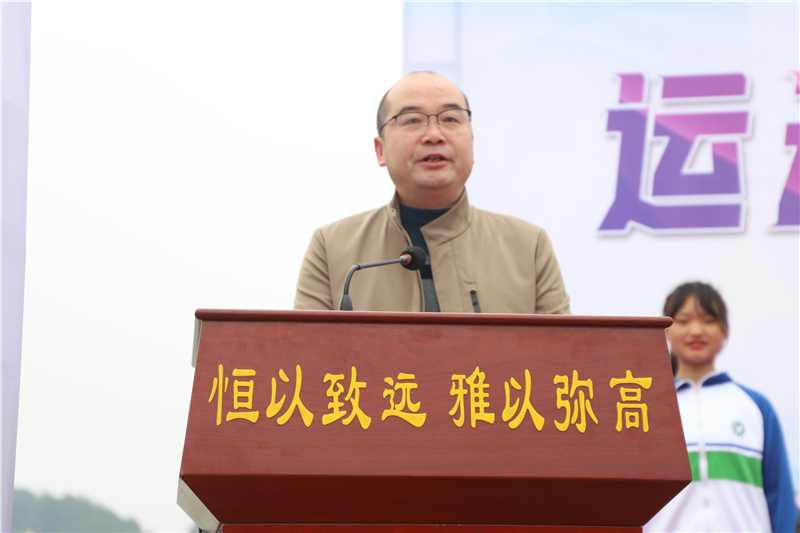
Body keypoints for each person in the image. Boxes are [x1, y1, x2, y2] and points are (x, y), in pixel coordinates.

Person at [294, 71, 570, 313]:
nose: (434, 135)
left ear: (472, 141)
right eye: (412, 120)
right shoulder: (331, 248)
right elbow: (307, 351)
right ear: (380, 150)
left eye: (450, 118)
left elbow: (561, 352)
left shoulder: (529, 246)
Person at [645, 282, 797, 532]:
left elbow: (780, 500)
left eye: (708, 320)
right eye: (683, 321)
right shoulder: (648, 409)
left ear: (725, 329)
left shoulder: (757, 408)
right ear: (666, 331)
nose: (696, 330)